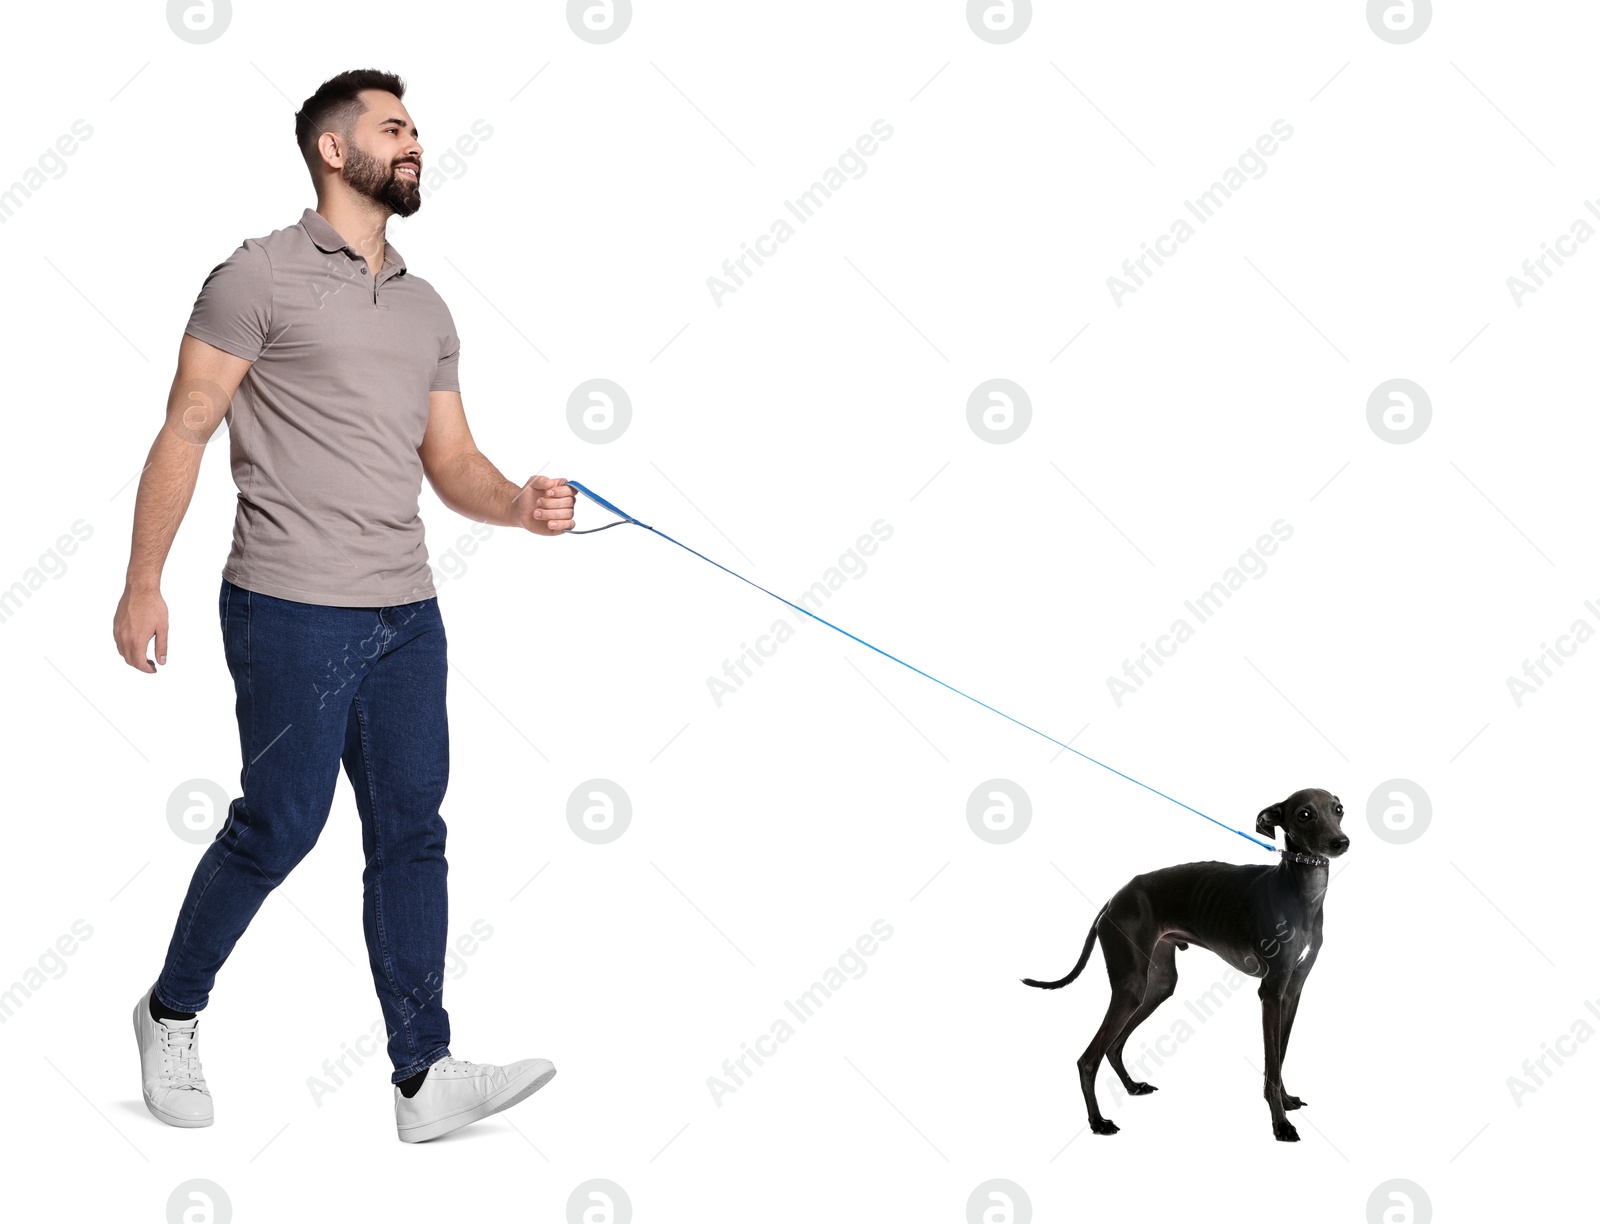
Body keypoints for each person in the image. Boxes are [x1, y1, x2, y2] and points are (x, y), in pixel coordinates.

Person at [112, 68, 571, 1143]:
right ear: (333, 149)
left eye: (415, 128)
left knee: (413, 834)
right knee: (281, 825)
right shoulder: (254, 277)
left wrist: (518, 505)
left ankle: (424, 1076)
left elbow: (451, 461)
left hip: (407, 611)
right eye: (394, 128)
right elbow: (185, 427)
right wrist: (143, 580)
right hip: (289, 605)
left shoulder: (425, 306)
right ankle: (169, 1011)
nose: (415, 143)